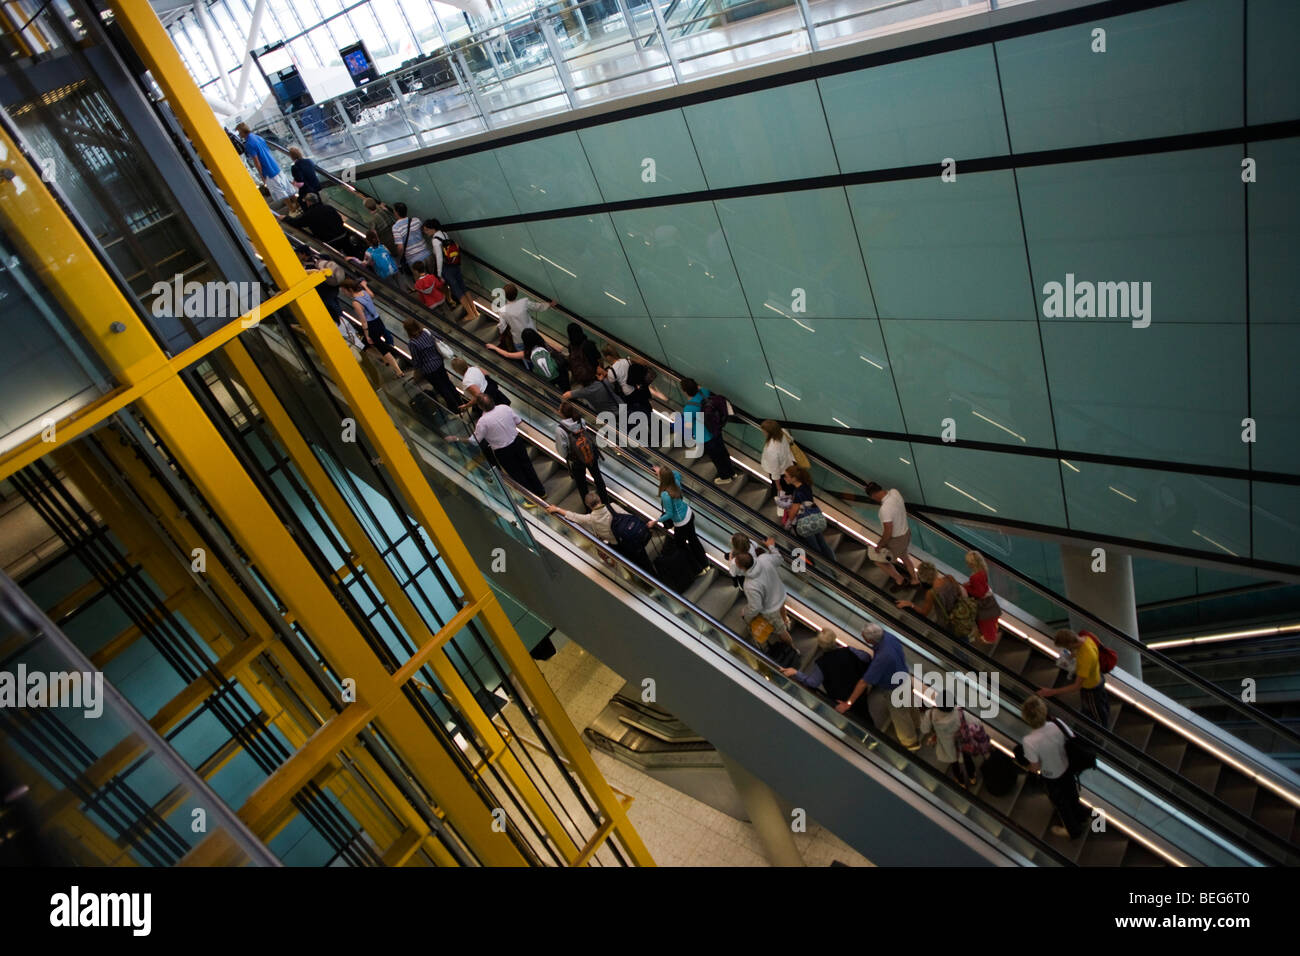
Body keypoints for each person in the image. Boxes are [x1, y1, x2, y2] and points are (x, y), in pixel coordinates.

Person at [833, 623, 919, 750]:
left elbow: (864, 682)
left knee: (900, 716)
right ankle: (917, 724)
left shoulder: (882, 658)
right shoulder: (889, 636)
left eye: (864, 637)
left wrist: (848, 703)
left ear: (870, 640)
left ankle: (911, 743)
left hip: (894, 689)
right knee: (911, 705)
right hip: (905, 677)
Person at [452, 394, 547, 501]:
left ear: (480, 407)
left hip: (503, 451)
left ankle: (531, 499)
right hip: (517, 442)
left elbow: (474, 441)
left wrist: (457, 439)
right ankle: (541, 491)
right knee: (528, 466)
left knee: (517, 474)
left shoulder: (482, 422)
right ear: (492, 401)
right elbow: (518, 421)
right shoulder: (504, 408)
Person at [1021, 696, 1086, 838]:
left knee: (1062, 805)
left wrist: (1028, 771)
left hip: (1051, 777)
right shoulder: (1057, 723)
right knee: (1072, 794)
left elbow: (1035, 765)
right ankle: (1081, 815)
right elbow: (1071, 738)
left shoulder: (1029, 741)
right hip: (1067, 767)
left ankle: (1072, 830)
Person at [1038, 629, 1111, 729]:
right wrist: (1072, 656)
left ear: (1070, 644)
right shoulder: (1087, 637)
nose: (1068, 649)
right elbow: (1082, 650)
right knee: (1103, 705)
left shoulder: (1086, 657)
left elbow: (1076, 686)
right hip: (1098, 677)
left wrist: (1051, 692)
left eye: (1067, 647)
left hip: (1091, 689)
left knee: (1097, 714)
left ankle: (1102, 734)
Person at [647, 466, 707, 572]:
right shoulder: (675, 482)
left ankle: (698, 569)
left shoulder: (666, 495)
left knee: (681, 546)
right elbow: (677, 473)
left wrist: (655, 521)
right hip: (689, 513)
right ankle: (705, 563)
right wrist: (663, 471)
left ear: (662, 479)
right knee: (693, 539)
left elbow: (669, 514)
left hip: (681, 523)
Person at [555, 401, 612, 509]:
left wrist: (567, 456)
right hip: (590, 454)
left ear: (562, 413)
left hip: (576, 460)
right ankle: (606, 502)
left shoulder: (560, 429)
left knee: (582, 485)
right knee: (598, 478)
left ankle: (589, 509)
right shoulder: (580, 420)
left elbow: (562, 450)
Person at [865, 481, 920, 590]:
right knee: (905, 557)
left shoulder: (885, 509)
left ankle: (900, 580)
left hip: (896, 540)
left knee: (879, 561)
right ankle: (915, 580)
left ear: (874, 495)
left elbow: (888, 532)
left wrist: (880, 545)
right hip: (906, 532)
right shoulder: (895, 492)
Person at [736, 541, 792, 648]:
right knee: (782, 609)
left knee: (781, 631)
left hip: (771, 608)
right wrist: (771, 545)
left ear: (741, 567)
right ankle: (785, 621)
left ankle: (792, 649)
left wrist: (746, 615)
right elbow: (779, 558)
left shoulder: (749, 584)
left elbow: (756, 607)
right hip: (780, 593)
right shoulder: (764, 558)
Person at [680, 377, 736, 485]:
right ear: (697, 386)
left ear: (685, 391)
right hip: (716, 428)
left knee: (716, 457)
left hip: (705, 435)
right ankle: (732, 472)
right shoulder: (704, 391)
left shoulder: (689, 408)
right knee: (723, 452)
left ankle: (725, 477)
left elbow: (688, 425)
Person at [342, 278, 401, 375]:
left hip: (371, 325)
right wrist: (365, 285)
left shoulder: (356, 303)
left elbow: (363, 321)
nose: (344, 293)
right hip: (378, 321)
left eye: (344, 291)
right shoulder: (364, 292)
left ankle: (398, 370)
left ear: (350, 289)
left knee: (381, 348)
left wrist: (367, 335)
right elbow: (372, 295)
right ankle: (388, 359)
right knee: (373, 344)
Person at [919, 695, 978, 788]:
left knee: (954, 763)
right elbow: (975, 723)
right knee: (967, 759)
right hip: (962, 743)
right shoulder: (960, 713)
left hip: (946, 745)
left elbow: (924, 730)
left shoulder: (930, 714)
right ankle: (972, 777)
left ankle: (961, 781)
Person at [403, 318, 461, 412]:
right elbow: (440, 338)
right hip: (439, 362)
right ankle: (460, 402)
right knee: (448, 383)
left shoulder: (412, 343)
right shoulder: (427, 332)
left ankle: (455, 409)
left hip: (429, 370)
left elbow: (417, 360)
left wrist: (416, 372)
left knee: (442, 388)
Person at [425, 220, 478, 321]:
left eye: (427, 230)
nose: (426, 233)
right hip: (455, 264)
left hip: (447, 268)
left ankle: (470, 314)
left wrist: (439, 274)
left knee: (457, 291)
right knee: (463, 287)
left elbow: (439, 258)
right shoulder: (444, 234)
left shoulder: (435, 240)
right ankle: (475, 311)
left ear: (432, 229)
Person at [781, 465, 836, 562]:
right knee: (823, 544)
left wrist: (787, 510)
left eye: (786, 476)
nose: (784, 478)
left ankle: (823, 568)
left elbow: (793, 513)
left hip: (805, 524)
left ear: (794, 478)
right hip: (814, 519)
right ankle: (834, 565)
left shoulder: (798, 493)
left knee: (814, 549)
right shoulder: (806, 486)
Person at [895, 561, 967, 633]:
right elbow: (959, 593)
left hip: (950, 622)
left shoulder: (931, 593)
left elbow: (924, 613)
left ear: (923, 578)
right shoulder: (949, 577)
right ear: (935, 570)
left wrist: (911, 604)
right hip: (963, 611)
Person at [487, 327, 564, 386]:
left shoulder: (526, 353)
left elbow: (507, 355)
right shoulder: (543, 344)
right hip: (559, 371)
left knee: (552, 392)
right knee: (565, 387)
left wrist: (494, 347)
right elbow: (560, 349)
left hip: (544, 379)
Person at [236, 122, 293, 201]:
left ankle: (292, 208)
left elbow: (256, 161)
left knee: (280, 192)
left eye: (239, 132)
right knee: (287, 187)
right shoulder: (258, 137)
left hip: (267, 170)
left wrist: (261, 175)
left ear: (242, 131)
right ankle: (296, 205)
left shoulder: (249, 144)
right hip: (274, 165)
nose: (239, 134)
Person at [282, 192, 355, 254]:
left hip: (330, 241)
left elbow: (297, 223)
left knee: (338, 255)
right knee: (351, 252)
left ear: (309, 202)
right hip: (343, 235)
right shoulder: (328, 207)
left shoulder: (309, 214)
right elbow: (340, 219)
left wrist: (285, 218)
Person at [495, 282, 555, 347]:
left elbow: (502, 327)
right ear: (516, 293)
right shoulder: (524, 302)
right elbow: (537, 307)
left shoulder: (502, 311)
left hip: (518, 340)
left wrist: (502, 335)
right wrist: (549, 304)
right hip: (533, 337)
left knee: (524, 356)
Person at [547, 492, 616, 546]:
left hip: (614, 543)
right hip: (625, 535)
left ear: (588, 505)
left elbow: (573, 516)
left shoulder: (590, 518)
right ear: (600, 499)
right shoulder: (613, 506)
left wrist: (557, 509)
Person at [962, 551, 1001, 645]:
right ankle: (990, 636)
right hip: (989, 601)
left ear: (971, 563)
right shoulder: (983, 570)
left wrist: (967, 587)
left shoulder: (974, 577)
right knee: (991, 623)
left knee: (985, 624)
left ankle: (988, 638)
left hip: (983, 605)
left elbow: (979, 593)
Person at [760, 420, 795, 498]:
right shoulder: (783, 431)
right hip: (789, 466)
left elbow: (775, 471)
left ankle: (787, 506)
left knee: (783, 494)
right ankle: (791, 500)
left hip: (781, 473)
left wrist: (778, 486)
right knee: (790, 488)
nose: (763, 433)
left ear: (769, 432)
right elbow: (791, 440)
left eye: (764, 431)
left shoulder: (772, 449)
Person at [392, 202, 430, 272]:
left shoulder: (396, 227)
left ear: (396, 213)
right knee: (434, 278)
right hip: (427, 255)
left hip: (415, 261)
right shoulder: (416, 220)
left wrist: (401, 256)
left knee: (423, 282)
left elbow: (400, 248)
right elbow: (424, 233)